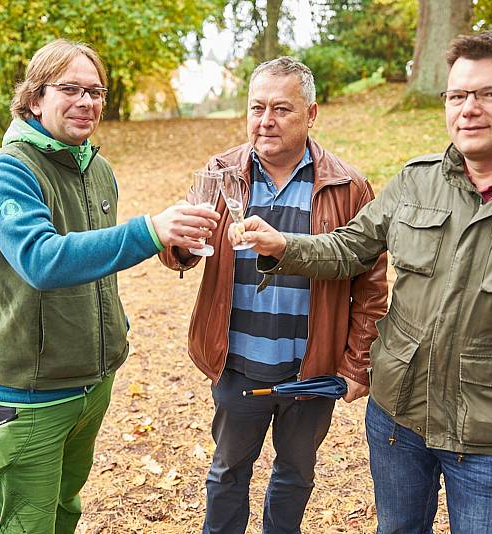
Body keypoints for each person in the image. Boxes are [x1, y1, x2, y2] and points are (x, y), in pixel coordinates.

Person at [233, 32, 492, 534]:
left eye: (490, 94)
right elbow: (349, 247)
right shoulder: (417, 181)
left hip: (490, 440)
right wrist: (283, 246)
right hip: (395, 422)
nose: (469, 109)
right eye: (457, 96)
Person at [0, 39, 219, 533]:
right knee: (29, 523)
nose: (87, 102)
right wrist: (149, 231)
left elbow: (97, 258)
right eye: (70, 89)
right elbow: (42, 260)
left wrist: (175, 246)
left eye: (96, 91)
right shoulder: (7, 172)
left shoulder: (96, 168)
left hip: (94, 378)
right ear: (35, 99)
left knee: (66, 507)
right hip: (34, 390)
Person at [160, 57, 388, 534]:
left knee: (295, 475)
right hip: (238, 362)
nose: (265, 121)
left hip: (311, 369)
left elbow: (371, 288)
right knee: (227, 474)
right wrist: (179, 244)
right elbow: (181, 254)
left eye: (281, 108)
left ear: (311, 113)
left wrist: (354, 365)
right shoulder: (221, 173)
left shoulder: (348, 186)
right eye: (256, 107)